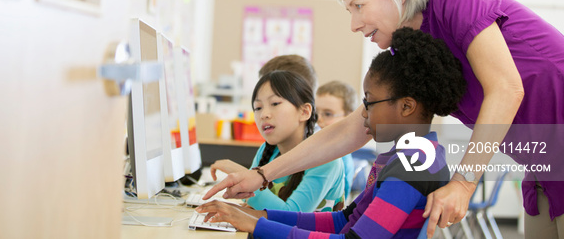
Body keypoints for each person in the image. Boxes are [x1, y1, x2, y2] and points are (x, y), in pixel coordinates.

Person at [204, 0, 564, 239]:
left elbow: (506, 88)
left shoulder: (455, 0)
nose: (353, 23)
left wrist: (463, 183)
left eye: (358, 6)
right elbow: (354, 127)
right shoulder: (408, 54)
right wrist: (263, 175)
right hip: (544, 168)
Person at [197, 28, 465, 238]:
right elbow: (344, 220)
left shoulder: (414, 167)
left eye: (369, 103)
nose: (362, 113)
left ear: (406, 106)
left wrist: (257, 225)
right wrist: (259, 216)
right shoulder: (408, 157)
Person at [211, 70, 345, 212]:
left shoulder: (325, 159)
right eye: (258, 107)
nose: (264, 115)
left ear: (304, 112)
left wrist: (239, 173)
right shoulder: (267, 150)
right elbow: (249, 200)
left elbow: (291, 217)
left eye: (275, 103)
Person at [316, 81, 357, 201]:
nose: (319, 119)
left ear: (349, 116)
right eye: (316, 112)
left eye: (328, 114)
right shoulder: (321, 145)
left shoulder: (339, 156)